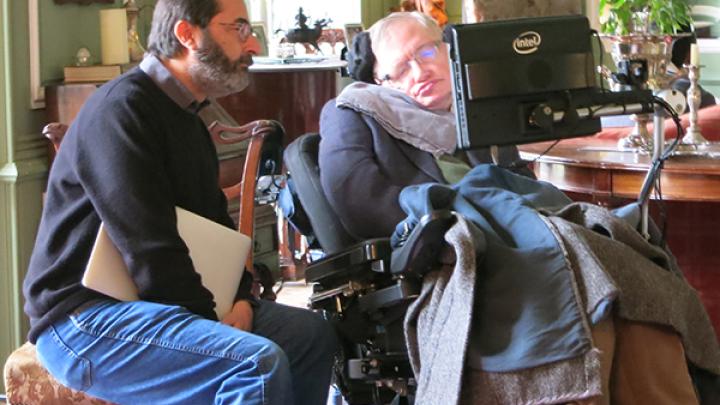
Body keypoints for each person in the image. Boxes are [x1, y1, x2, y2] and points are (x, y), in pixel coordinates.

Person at [318, 12, 719, 405]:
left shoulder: (476, 111)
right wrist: (458, 224)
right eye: (400, 69)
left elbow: (516, 183)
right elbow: (358, 201)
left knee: (624, 272)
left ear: (448, 52)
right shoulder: (354, 113)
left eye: (423, 54)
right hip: (444, 248)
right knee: (580, 282)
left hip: (518, 230)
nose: (417, 72)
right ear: (378, 80)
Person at [23, 0, 337, 404]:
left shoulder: (188, 119)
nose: (253, 45)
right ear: (187, 35)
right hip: (82, 321)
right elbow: (148, 247)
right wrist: (212, 322)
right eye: (238, 29)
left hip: (148, 302)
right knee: (254, 362)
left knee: (311, 335)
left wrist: (240, 297)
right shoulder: (122, 110)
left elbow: (215, 231)